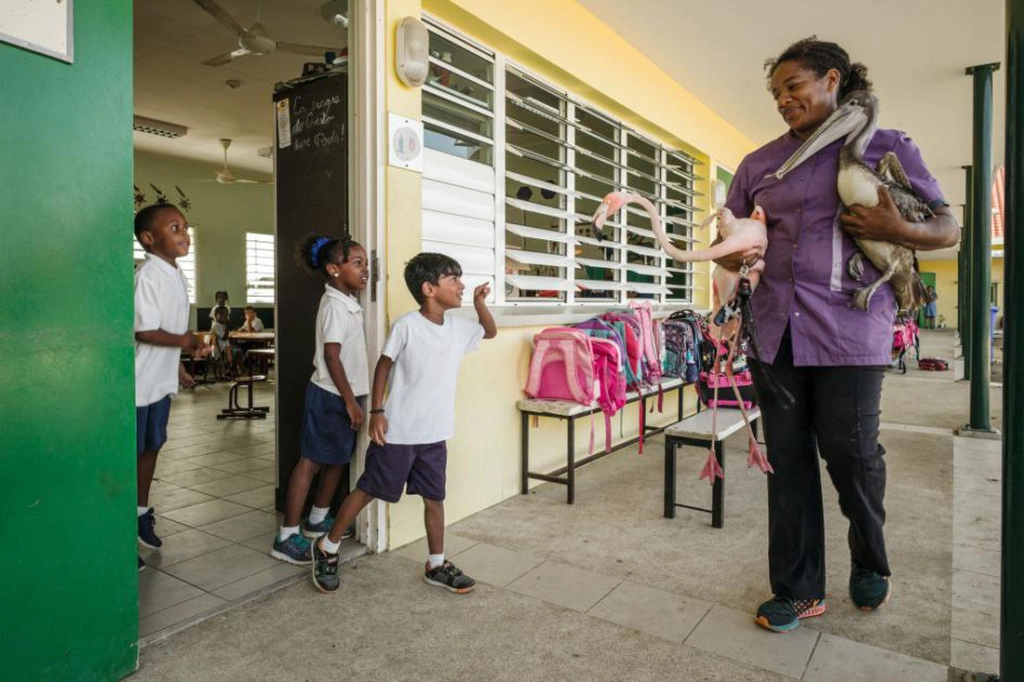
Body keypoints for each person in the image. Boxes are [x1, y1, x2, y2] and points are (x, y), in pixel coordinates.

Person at [717, 38, 959, 633]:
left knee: (850, 455)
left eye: (793, 87)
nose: (783, 101)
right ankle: (798, 590)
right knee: (790, 462)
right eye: (776, 93)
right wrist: (728, 289)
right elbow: (734, 242)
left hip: (850, 329)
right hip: (774, 333)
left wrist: (893, 225)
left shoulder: (883, 145)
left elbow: (947, 227)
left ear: (832, 79)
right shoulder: (759, 164)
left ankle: (870, 558)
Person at [310, 253, 497, 594]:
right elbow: (384, 366)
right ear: (429, 288)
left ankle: (436, 564)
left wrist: (478, 303)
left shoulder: (457, 327)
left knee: (434, 498)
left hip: (435, 433)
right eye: (453, 279)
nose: (461, 285)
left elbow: (490, 331)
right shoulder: (407, 325)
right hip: (399, 432)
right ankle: (328, 545)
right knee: (368, 489)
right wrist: (377, 412)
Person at [270, 234, 370, 564]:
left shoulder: (347, 302)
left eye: (366, 264)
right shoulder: (334, 307)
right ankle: (286, 536)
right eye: (357, 264)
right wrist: (349, 402)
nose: (365, 270)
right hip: (330, 395)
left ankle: (317, 519)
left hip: (345, 395)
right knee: (311, 462)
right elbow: (331, 356)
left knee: (339, 458)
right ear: (333, 269)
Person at [134, 205, 212, 571]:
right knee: (129, 457)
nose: (185, 234)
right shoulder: (148, 274)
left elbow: (165, 326)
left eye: (185, 227)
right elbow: (145, 331)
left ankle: (138, 513)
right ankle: (117, 533)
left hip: (159, 384)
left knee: (152, 447)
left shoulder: (175, 273)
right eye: (175, 227)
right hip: (136, 386)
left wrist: (178, 365)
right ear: (149, 239)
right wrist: (188, 341)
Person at [210, 305, 238, 377]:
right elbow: (224, 338)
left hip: (224, 346)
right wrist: (227, 326)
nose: (223, 316)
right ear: (216, 315)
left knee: (238, 351)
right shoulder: (216, 325)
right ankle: (231, 369)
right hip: (218, 349)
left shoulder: (222, 324)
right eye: (221, 314)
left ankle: (232, 370)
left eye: (225, 315)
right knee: (236, 352)